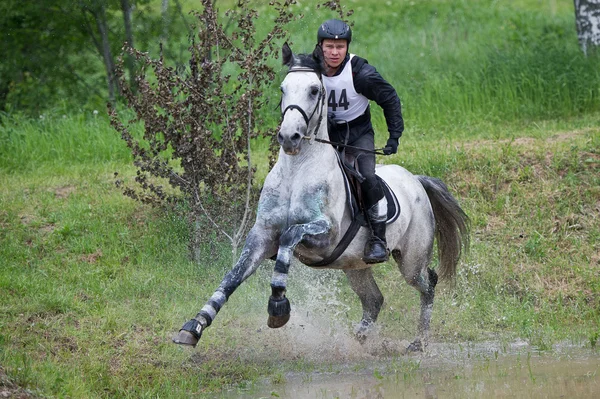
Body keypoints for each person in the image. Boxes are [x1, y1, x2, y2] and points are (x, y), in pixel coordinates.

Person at [317, 19, 404, 264]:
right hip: (324, 136)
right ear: (320, 46)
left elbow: (389, 98)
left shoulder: (360, 73)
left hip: (358, 135)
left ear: (347, 48)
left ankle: (378, 239)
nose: (334, 52)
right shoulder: (311, 68)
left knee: (367, 176)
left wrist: (394, 135)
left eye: (340, 47)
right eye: (329, 46)